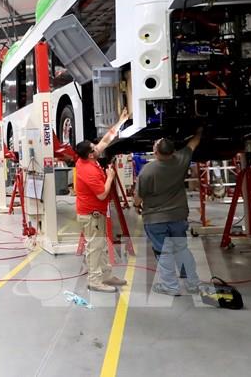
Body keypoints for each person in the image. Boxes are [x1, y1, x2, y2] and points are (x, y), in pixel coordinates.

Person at [133, 129, 203, 296]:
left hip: (155, 219)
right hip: (178, 216)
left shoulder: (147, 171)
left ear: (155, 152)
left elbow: (138, 198)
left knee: (163, 251)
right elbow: (192, 144)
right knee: (182, 248)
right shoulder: (181, 160)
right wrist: (199, 131)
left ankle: (170, 286)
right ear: (173, 151)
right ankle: (192, 284)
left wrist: (136, 206)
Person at [74, 108, 131, 293]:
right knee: (94, 248)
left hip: (96, 214)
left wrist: (120, 121)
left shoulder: (87, 158)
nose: (97, 147)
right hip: (91, 215)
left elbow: (106, 139)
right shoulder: (88, 171)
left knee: (102, 246)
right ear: (91, 155)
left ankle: (106, 276)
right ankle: (94, 281)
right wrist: (110, 177)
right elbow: (102, 195)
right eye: (94, 147)